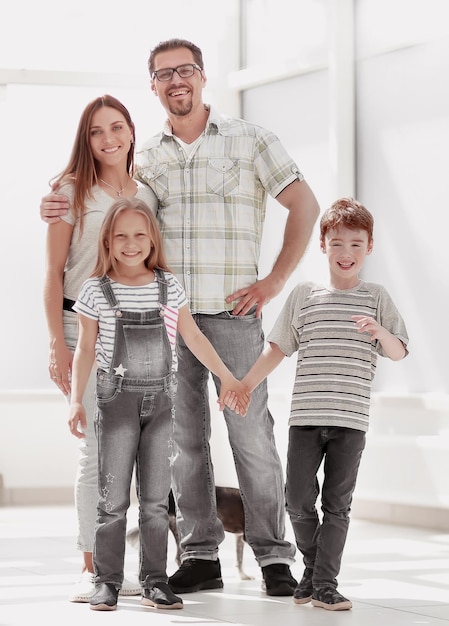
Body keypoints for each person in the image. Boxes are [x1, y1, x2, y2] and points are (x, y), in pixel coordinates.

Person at [40, 37, 320, 596]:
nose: (176, 81)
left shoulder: (250, 139)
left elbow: (306, 207)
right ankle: (198, 554)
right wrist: (50, 201)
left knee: (252, 438)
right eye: (163, 74)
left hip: (233, 318)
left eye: (185, 70)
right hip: (165, 326)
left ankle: (272, 557)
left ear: (202, 76)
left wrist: (273, 281)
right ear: (153, 86)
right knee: (183, 443)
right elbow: (98, 198)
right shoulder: (148, 162)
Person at [69, 197, 249, 611]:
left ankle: (154, 580)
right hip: (114, 403)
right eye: (121, 237)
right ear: (108, 242)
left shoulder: (169, 286)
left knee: (154, 501)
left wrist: (227, 376)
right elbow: (84, 349)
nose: (131, 244)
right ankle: (107, 580)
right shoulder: (96, 290)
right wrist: (74, 402)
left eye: (139, 235)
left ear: (152, 240)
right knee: (112, 500)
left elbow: (195, 338)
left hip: (160, 404)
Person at [236, 198, 409, 610]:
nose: (345, 253)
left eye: (355, 244)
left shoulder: (376, 297)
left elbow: (399, 351)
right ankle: (314, 571)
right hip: (307, 419)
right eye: (337, 243)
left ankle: (324, 584)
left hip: (350, 421)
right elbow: (277, 349)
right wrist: (244, 385)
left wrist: (380, 331)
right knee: (296, 499)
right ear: (322, 245)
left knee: (336, 505)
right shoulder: (304, 295)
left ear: (369, 247)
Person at [43, 94, 158, 602]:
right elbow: (53, 273)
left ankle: (118, 564)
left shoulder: (148, 192)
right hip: (79, 328)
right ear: (85, 140)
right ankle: (91, 566)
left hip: (138, 331)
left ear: (131, 131)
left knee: (131, 454)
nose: (108, 139)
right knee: (95, 452)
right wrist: (56, 345)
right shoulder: (70, 191)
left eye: (116, 127)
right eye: (96, 131)